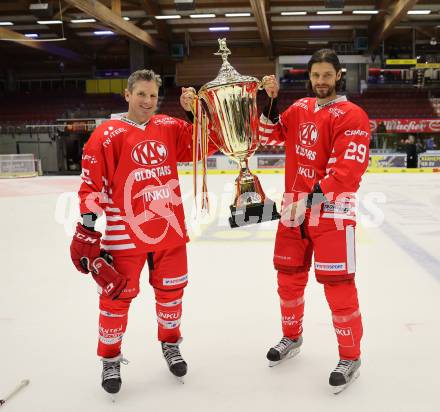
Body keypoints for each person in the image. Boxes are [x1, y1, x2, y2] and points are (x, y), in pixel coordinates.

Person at [69, 69, 208, 396]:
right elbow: (91, 186)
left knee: (172, 295)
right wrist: (88, 229)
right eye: (141, 94)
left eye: (153, 96)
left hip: (169, 232)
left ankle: (170, 344)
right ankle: (110, 359)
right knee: (115, 300)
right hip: (124, 235)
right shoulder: (106, 134)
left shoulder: (169, 126)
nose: (147, 101)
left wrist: (197, 112)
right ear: (127, 95)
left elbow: (206, 144)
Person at [259, 49, 370, 394]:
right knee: (288, 280)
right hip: (294, 211)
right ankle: (292, 337)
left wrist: (308, 201)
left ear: (339, 75)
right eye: (315, 75)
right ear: (309, 77)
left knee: (338, 287)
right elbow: (269, 135)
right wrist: (270, 101)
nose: (320, 81)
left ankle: (350, 356)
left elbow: (346, 173)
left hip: (332, 214)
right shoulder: (300, 109)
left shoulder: (352, 115)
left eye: (327, 75)